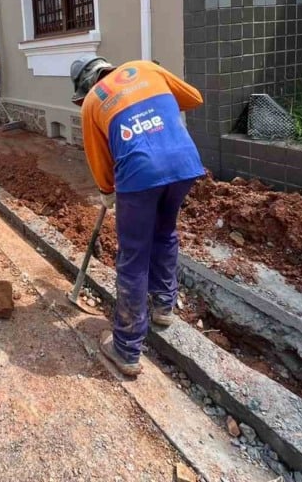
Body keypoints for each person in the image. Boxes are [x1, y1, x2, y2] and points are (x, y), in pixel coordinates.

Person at [70, 55, 205, 376]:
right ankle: (163, 306)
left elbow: (99, 159)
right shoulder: (145, 67)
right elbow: (194, 98)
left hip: (140, 173)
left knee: (133, 256)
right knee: (165, 233)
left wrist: (106, 190)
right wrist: (155, 117)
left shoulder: (93, 101)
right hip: (183, 163)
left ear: (85, 85)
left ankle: (127, 349)